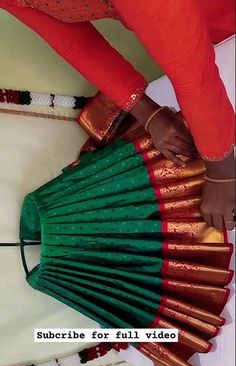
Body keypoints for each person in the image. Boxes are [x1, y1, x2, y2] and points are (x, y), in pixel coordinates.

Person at [0, 0, 235, 231]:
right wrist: (149, 114)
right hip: (206, 36)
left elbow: (193, 73)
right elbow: (74, 43)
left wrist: (222, 173)